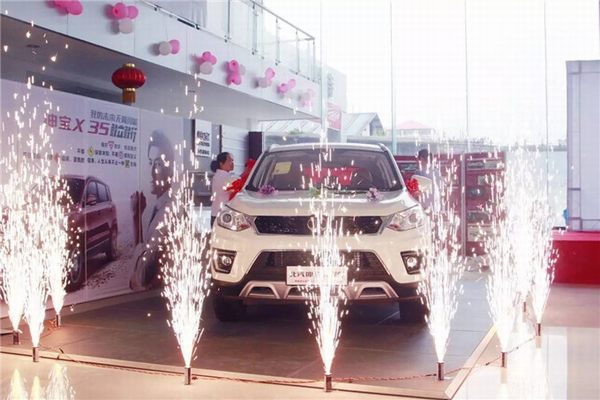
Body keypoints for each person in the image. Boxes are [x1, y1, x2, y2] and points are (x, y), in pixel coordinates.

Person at [129, 129, 174, 290]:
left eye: (158, 164)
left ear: (171, 169)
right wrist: (137, 216)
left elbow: (142, 276)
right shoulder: (152, 209)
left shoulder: (169, 212)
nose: (152, 172)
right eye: (150, 163)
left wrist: (136, 219)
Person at [211, 152, 234, 226]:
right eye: (229, 160)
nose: (232, 163)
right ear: (221, 163)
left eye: (232, 160)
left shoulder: (219, 175)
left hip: (216, 213)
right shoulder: (224, 176)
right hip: (223, 215)